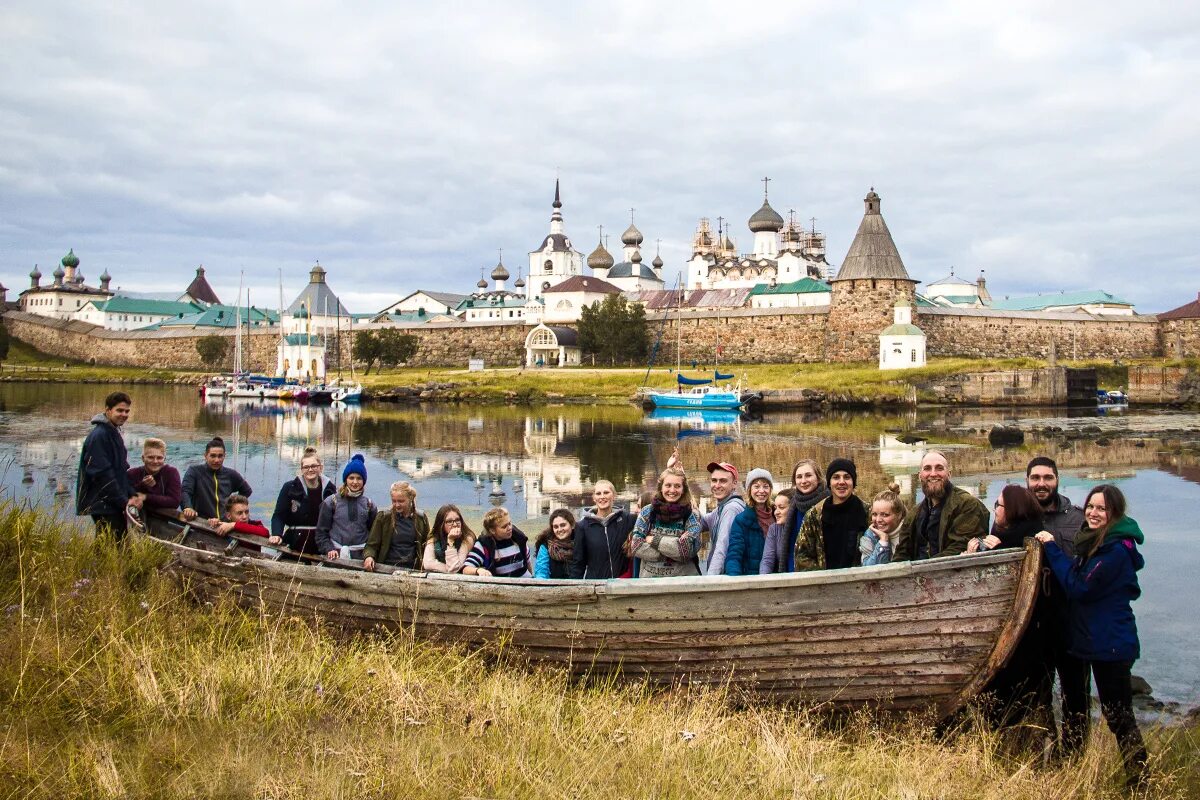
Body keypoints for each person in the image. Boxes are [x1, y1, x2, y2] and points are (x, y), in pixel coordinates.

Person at [1035, 485, 1149, 789]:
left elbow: (1079, 586)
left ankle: (1141, 781)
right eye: (1090, 507)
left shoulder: (1114, 551)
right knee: (1114, 714)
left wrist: (1051, 549)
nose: (1093, 513)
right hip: (1097, 641)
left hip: (1110, 644)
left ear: (1114, 513)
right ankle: (1134, 777)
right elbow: (1078, 574)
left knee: (1119, 716)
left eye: (1101, 509)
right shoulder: (1095, 543)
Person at [974, 485, 1053, 736]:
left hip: (1023, 640)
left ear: (1012, 511)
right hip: (1013, 636)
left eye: (999, 505)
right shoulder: (1005, 537)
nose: (995, 509)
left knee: (1014, 700)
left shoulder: (1028, 543)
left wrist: (991, 552)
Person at [1026, 456, 1088, 758]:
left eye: (1047, 477)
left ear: (1057, 479)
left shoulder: (1077, 519)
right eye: (1035, 478)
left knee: (1075, 694)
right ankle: (1043, 754)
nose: (1041, 483)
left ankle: (1075, 757)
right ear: (1027, 481)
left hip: (1071, 622)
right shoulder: (1018, 516)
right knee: (1036, 694)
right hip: (1032, 623)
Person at [893, 451, 989, 561]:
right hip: (917, 574)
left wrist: (922, 568)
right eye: (927, 468)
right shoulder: (914, 513)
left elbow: (959, 547)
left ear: (949, 474)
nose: (933, 474)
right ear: (920, 476)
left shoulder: (967, 505)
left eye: (939, 468)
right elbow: (902, 552)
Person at [76, 391, 142, 540]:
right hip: (103, 503)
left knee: (111, 544)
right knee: (113, 545)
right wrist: (123, 501)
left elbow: (120, 470)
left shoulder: (112, 432)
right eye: (119, 410)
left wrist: (132, 493)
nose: (124, 414)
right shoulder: (100, 435)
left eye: (127, 411)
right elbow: (102, 474)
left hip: (111, 502)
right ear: (108, 410)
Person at [794, 458, 869, 571]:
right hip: (824, 583)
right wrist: (825, 578)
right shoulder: (814, 515)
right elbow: (801, 556)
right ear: (829, 482)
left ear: (853, 482)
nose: (841, 482)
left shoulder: (868, 512)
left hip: (859, 581)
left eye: (847, 477)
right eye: (836, 477)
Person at [631, 465, 703, 578]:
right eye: (668, 485)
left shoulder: (692, 515)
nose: (672, 490)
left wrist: (654, 540)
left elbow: (687, 552)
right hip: (650, 584)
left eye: (677, 486)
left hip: (684, 583)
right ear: (661, 487)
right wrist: (675, 547)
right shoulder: (647, 512)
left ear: (683, 489)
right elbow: (636, 547)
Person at [765, 459, 829, 573]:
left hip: (821, 573)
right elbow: (790, 546)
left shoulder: (828, 503)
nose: (803, 481)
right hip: (792, 573)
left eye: (808, 475)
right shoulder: (794, 506)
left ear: (818, 478)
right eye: (799, 477)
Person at [271, 446, 336, 554]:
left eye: (314, 466)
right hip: (295, 541)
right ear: (301, 469)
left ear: (321, 467)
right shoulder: (290, 487)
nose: (310, 469)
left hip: (322, 543)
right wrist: (277, 534)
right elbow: (279, 515)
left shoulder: (330, 489)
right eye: (306, 467)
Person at [315, 453, 378, 562]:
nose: (355, 482)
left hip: (361, 557)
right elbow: (321, 533)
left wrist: (369, 555)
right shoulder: (331, 502)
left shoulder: (369, 505)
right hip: (335, 555)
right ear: (346, 480)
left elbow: (374, 536)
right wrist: (329, 549)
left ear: (363, 481)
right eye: (351, 478)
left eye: (359, 478)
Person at [569, 480, 634, 579]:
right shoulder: (583, 526)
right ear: (594, 498)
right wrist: (574, 589)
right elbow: (578, 563)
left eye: (606, 492)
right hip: (596, 585)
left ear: (614, 495)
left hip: (623, 584)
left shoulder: (627, 519)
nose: (602, 496)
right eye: (598, 493)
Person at [181, 436, 253, 522]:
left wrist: (233, 505)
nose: (216, 460)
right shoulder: (195, 472)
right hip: (202, 522)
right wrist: (188, 507)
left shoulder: (231, 474)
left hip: (224, 523)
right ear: (205, 456)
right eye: (213, 456)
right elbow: (185, 491)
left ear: (224, 456)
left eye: (220, 456)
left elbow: (246, 490)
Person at [364, 481, 430, 572]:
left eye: (401, 501)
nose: (397, 505)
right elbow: (371, 545)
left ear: (410, 499)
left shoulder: (421, 518)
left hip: (413, 569)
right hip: (386, 568)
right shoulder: (383, 517)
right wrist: (369, 557)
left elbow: (427, 545)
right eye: (394, 501)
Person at [701, 461, 746, 575]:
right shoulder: (721, 508)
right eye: (714, 480)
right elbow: (700, 522)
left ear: (734, 484)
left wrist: (711, 581)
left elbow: (722, 548)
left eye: (723, 481)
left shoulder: (731, 509)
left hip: (728, 576)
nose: (717, 485)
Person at [726, 468, 774, 576]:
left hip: (776, 578)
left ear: (770, 490)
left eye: (765, 486)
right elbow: (734, 554)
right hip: (752, 579)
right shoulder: (741, 520)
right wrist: (735, 580)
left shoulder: (778, 515)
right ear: (749, 490)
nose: (761, 491)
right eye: (756, 486)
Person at [463, 508, 532, 578]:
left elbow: (528, 562)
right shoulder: (484, 545)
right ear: (492, 530)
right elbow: (466, 569)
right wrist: (478, 570)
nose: (509, 528)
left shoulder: (518, 538)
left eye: (510, 523)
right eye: (504, 526)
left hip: (524, 580)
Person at [126, 437, 181, 511]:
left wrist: (145, 497)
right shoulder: (132, 473)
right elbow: (125, 494)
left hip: (163, 518)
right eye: (151, 457)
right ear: (143, 458)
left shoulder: (171, 472)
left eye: (159, 458)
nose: (155, 461)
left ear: (164, 459)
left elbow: (175, 502)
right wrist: (143, 485)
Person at [210, 493, 281, 548]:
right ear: (228, 516)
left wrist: (234, 525)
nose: (244, 517)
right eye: (239, 513)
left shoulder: (255, 525)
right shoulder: (224, 525)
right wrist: (213, 523)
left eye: (246, 512)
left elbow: (265, 533)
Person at [422, 504, 477, 574]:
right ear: (441, 524)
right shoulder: (433, 539)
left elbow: (454, 568)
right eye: (449, 521)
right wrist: (448, 569)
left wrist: (450, 542)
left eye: (457, 520)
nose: (455, 524)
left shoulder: (467, 538)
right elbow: (428, 563)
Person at [860, 484, 906, 566]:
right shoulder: (869, 536)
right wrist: (883, 542)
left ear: (899, 515)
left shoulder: (910, 531)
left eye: (884, 515)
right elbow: (867, 569)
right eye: (874, 514)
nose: (878, 520)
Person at [534, 509, 577, 579]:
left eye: (563, 525)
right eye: (556, 527)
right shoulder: (546, 547)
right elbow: (541, 572)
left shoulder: (580, 544)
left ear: (572, 525)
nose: (559, 529)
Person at [759, 493, 792, 574]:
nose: (776, 512)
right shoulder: (774, 528)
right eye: (775, 508)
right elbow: (767, 560)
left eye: (781, 507)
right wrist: (763, 580)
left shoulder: (802, 526)